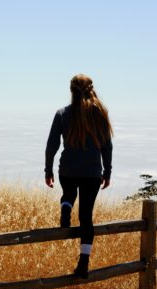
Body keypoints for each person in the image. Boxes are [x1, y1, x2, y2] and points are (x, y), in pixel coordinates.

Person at [44, 74, 113, 278]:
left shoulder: (62, 113)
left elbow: (51, 145)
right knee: (86, 217)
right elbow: (107, 146)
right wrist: (107, 172)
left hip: (68, 169)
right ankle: (83, 263)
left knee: (68, 193)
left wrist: (48, 171)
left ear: (71, 90)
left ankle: (66, 207)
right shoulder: (100, 113)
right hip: (92, 173)